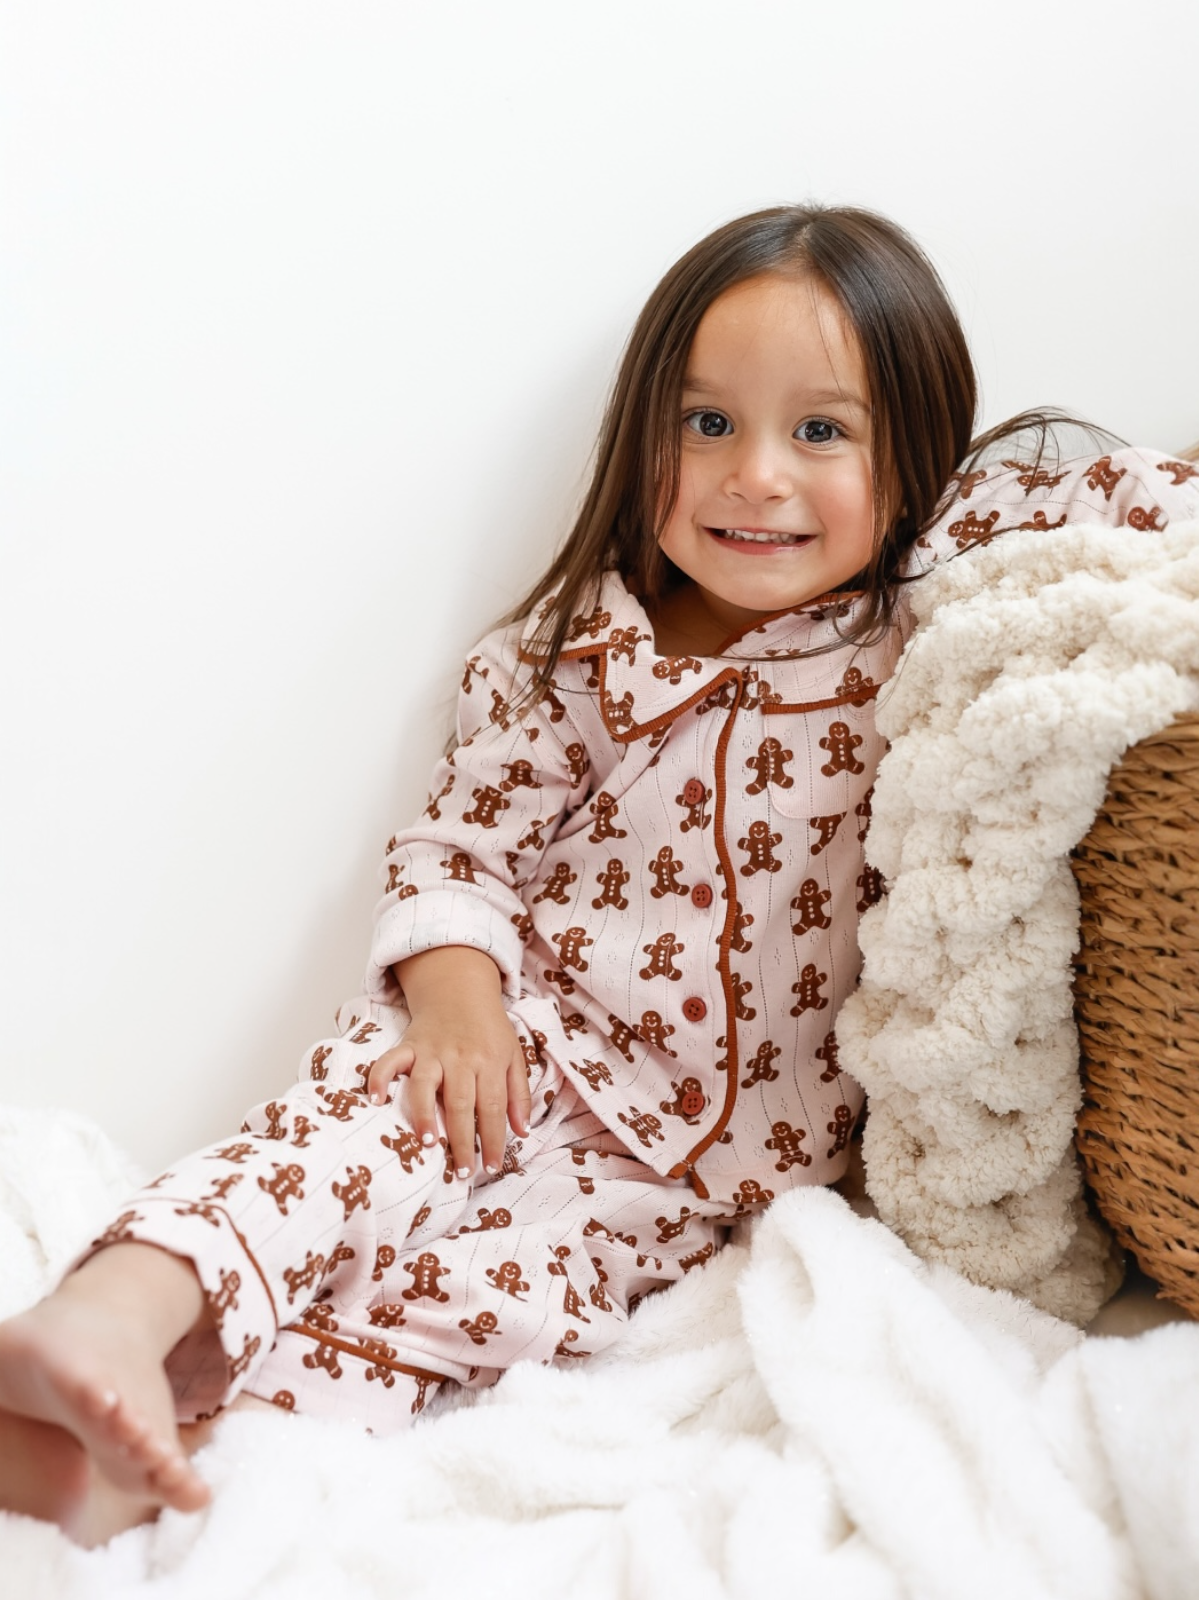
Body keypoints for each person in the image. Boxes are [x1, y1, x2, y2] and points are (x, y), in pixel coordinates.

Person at [1, 205, 1196, 1546]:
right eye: (704, 424)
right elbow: (458, 849)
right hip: (516, 1048)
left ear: (910, 455)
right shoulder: (575, 656)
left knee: (479, 1304)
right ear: (643, 439)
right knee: (330, 1150)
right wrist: (453, 1005)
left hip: (698, 1173)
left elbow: (1130, 491)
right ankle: (104, 1315)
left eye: (820, 430)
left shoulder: (924, 608)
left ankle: (137, 1455)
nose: (754, 476)